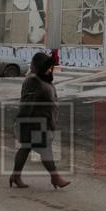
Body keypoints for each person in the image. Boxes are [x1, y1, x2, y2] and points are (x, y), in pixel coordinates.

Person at [9, 52, 71, 189]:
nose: (50, 70)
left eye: (50, 68)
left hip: (42, 122)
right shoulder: (33, 81)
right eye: (47, 68)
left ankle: (15, 176)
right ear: (40, 68)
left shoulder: (43, 79)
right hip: (33, 123)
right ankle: (55, 178)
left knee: (26, 148)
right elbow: (27, 104)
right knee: (45, 150)